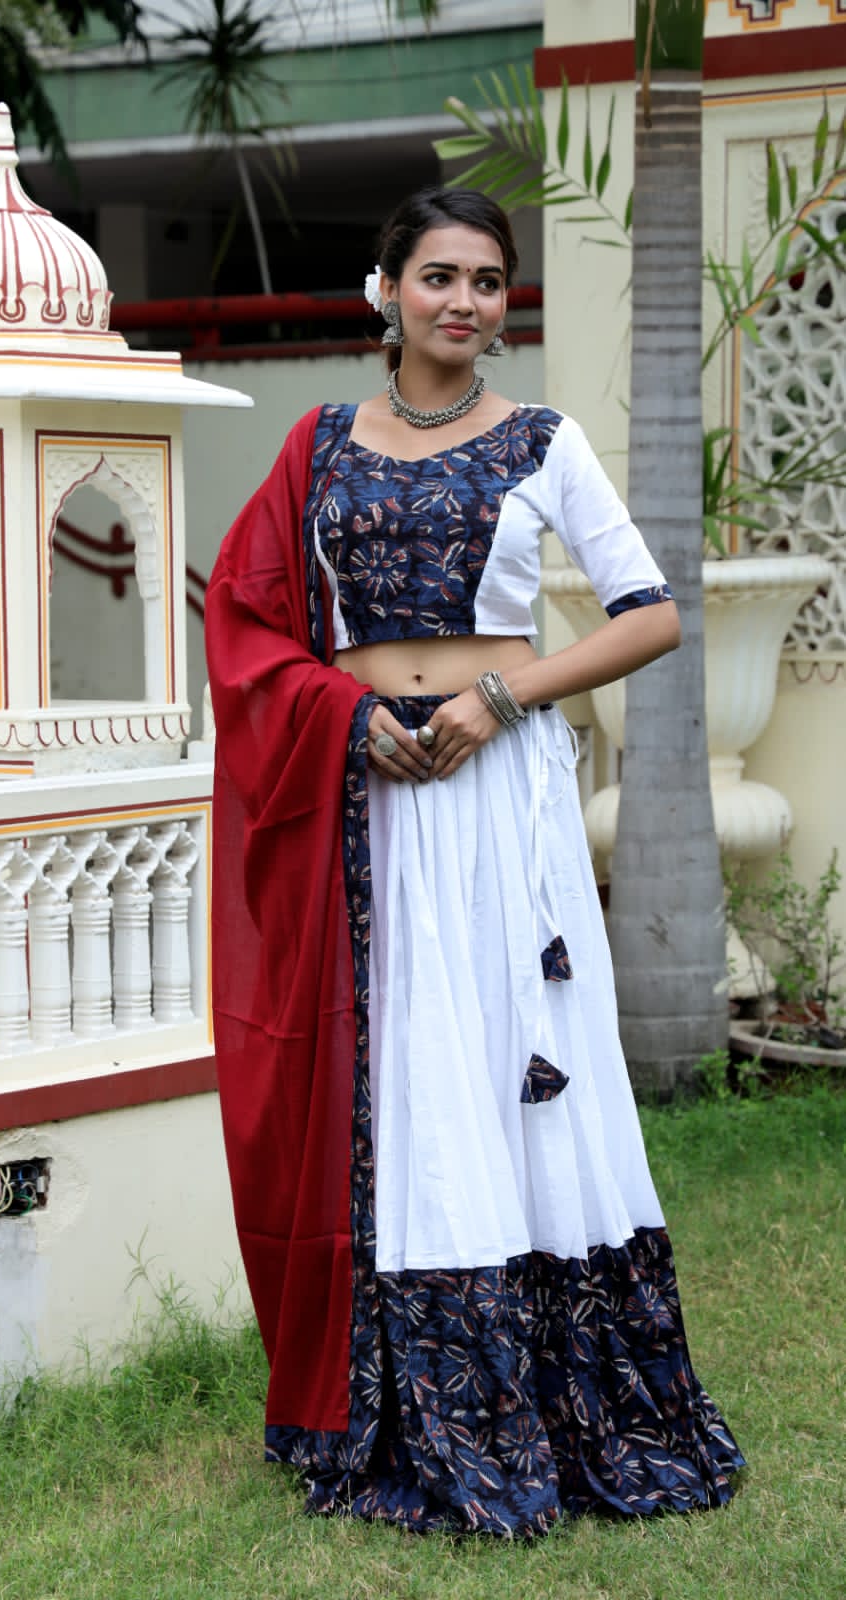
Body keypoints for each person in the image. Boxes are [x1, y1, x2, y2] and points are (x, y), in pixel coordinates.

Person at [204, 186, 744, 1535]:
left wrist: (500, 700)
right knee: (408, 1059)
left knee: (519, 1052)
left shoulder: (544, 443)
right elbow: (248, 615)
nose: (463, 301)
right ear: (383, 290)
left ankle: (558, 1397)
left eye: (487, 281)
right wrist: (348, 720)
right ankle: (411, 1398)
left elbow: (650, 615)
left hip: (499, 789)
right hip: (374, 796)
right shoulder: (316, 447)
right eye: (437, 275)